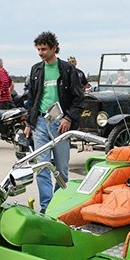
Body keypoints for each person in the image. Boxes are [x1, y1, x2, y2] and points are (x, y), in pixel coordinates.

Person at [23, 30, 84, 214]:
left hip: (60, 124)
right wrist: (28, 123)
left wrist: (68, 118)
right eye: (38, 49)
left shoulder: (67, 69)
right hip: (40, 123)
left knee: (62, 170)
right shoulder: (36, 69)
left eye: (44, 49)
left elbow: (79, 99)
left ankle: (59, 205)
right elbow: (32, 98)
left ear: (54, 48)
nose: (40, 53)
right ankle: (46, 208)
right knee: (41, 167)